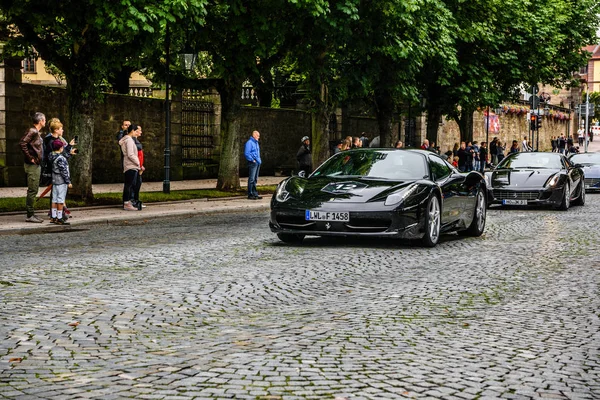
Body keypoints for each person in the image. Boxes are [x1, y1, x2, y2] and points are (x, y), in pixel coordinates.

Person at [19, 112, 46, 223]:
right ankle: (30, 215)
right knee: (32, 190)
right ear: (40, 121)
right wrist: (30, 158)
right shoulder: (33, 131)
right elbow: (22, 143)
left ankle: (32, 214)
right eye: (44, 120)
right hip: (32, 165)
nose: (45, 122)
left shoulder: (36, 132)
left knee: (34, 190)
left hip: (35, 165)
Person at [48, 139, 72, 225]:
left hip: (54, 180)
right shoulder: (60, 158)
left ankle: (53, 217)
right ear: (61, 148)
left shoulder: (51, 155)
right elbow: (63, 171)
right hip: (61, 181)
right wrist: (68, 181)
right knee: (61, 200)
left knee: (54, 199)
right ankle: (59, 217)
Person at [119, 124, 141, 211]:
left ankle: (127, 202)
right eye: (136, 131)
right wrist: (138, 162)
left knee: (129, 185)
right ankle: (126, 203)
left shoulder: (127, 140)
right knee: (129, 185)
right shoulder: (129, 140)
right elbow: (130, 154)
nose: (137, 133)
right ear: (132, 131)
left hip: (130, 164)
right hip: (131, 165)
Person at [244, 130, 262, 200]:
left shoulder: (256, 143)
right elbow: (247, 153)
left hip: (257, 162)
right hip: (253, 162)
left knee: (255, 179)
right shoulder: (249, 143)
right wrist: (252, 160)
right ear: (254, 135)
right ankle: (250, 194)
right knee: (251, 179)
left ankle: (255, 194)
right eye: (258, 136)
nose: (259, 137)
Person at [131, 125, 145, 209]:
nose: (141, 132)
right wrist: (139, 166)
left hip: (138, 166)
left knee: (137, 183)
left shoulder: (135, 140)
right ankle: (133, 201)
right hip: (136, 166)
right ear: (135, 131)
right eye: (140, 130)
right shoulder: (132, 141)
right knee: (134, 184)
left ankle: (136, 200)